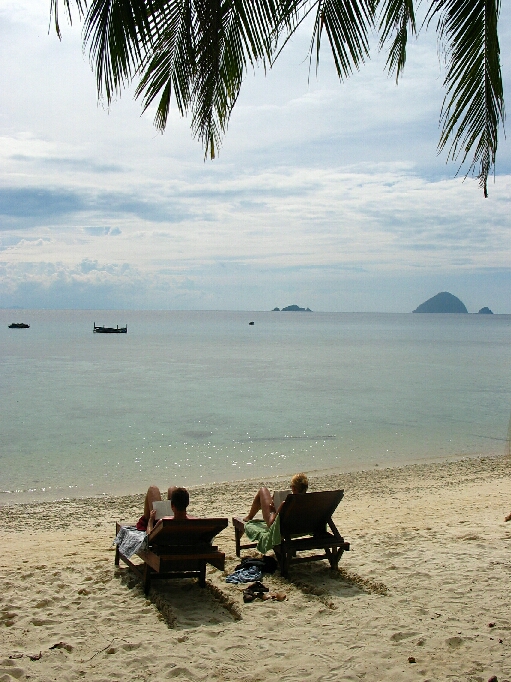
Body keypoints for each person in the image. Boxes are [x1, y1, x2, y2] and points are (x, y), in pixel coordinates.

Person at [243, 472, 309, 528]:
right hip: (299, 527)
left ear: (294, 488)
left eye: (291, 486)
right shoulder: (310, 502)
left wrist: (272, 511)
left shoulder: (287, 504)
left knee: (263, 490)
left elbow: (271, 524)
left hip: (282, 528)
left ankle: (249, 517)